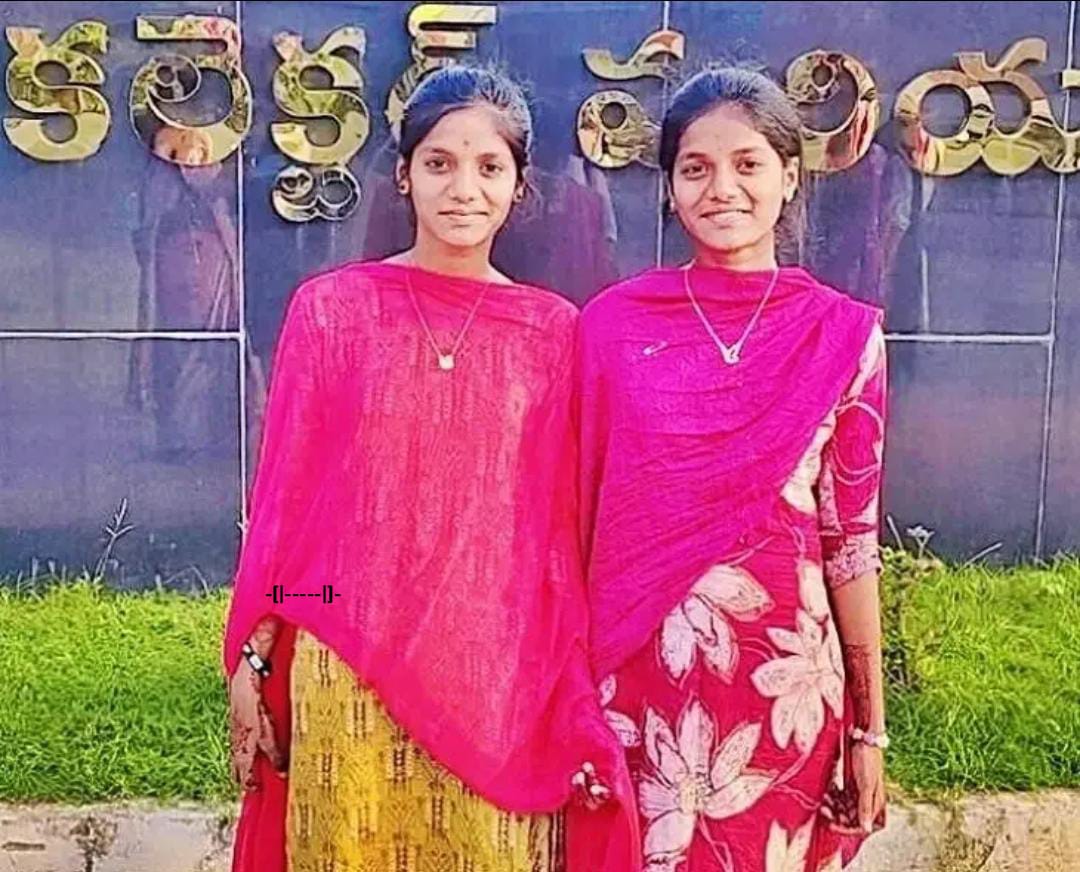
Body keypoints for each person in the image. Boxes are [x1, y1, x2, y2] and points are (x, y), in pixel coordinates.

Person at [221, 64, 638, 872]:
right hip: (347, 670)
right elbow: (289, 514)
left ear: (519, 187)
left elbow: (559, 538)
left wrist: (568, 688)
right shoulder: (332, 312)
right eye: (440, 163)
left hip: (498, 683)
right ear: (405, 174)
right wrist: (260, 655)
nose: (463, 189)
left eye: (489, 167)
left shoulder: (554, 333)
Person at [576, 66, 888, 871]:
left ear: (790, 176)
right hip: (635, 683)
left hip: (783, 691)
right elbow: (573, 521)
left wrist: (869, 730)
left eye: (748, 164)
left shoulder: (842, 336)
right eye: (696, 167)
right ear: (671, 187)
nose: (722, 188)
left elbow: (851, 544)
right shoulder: (612, 328)